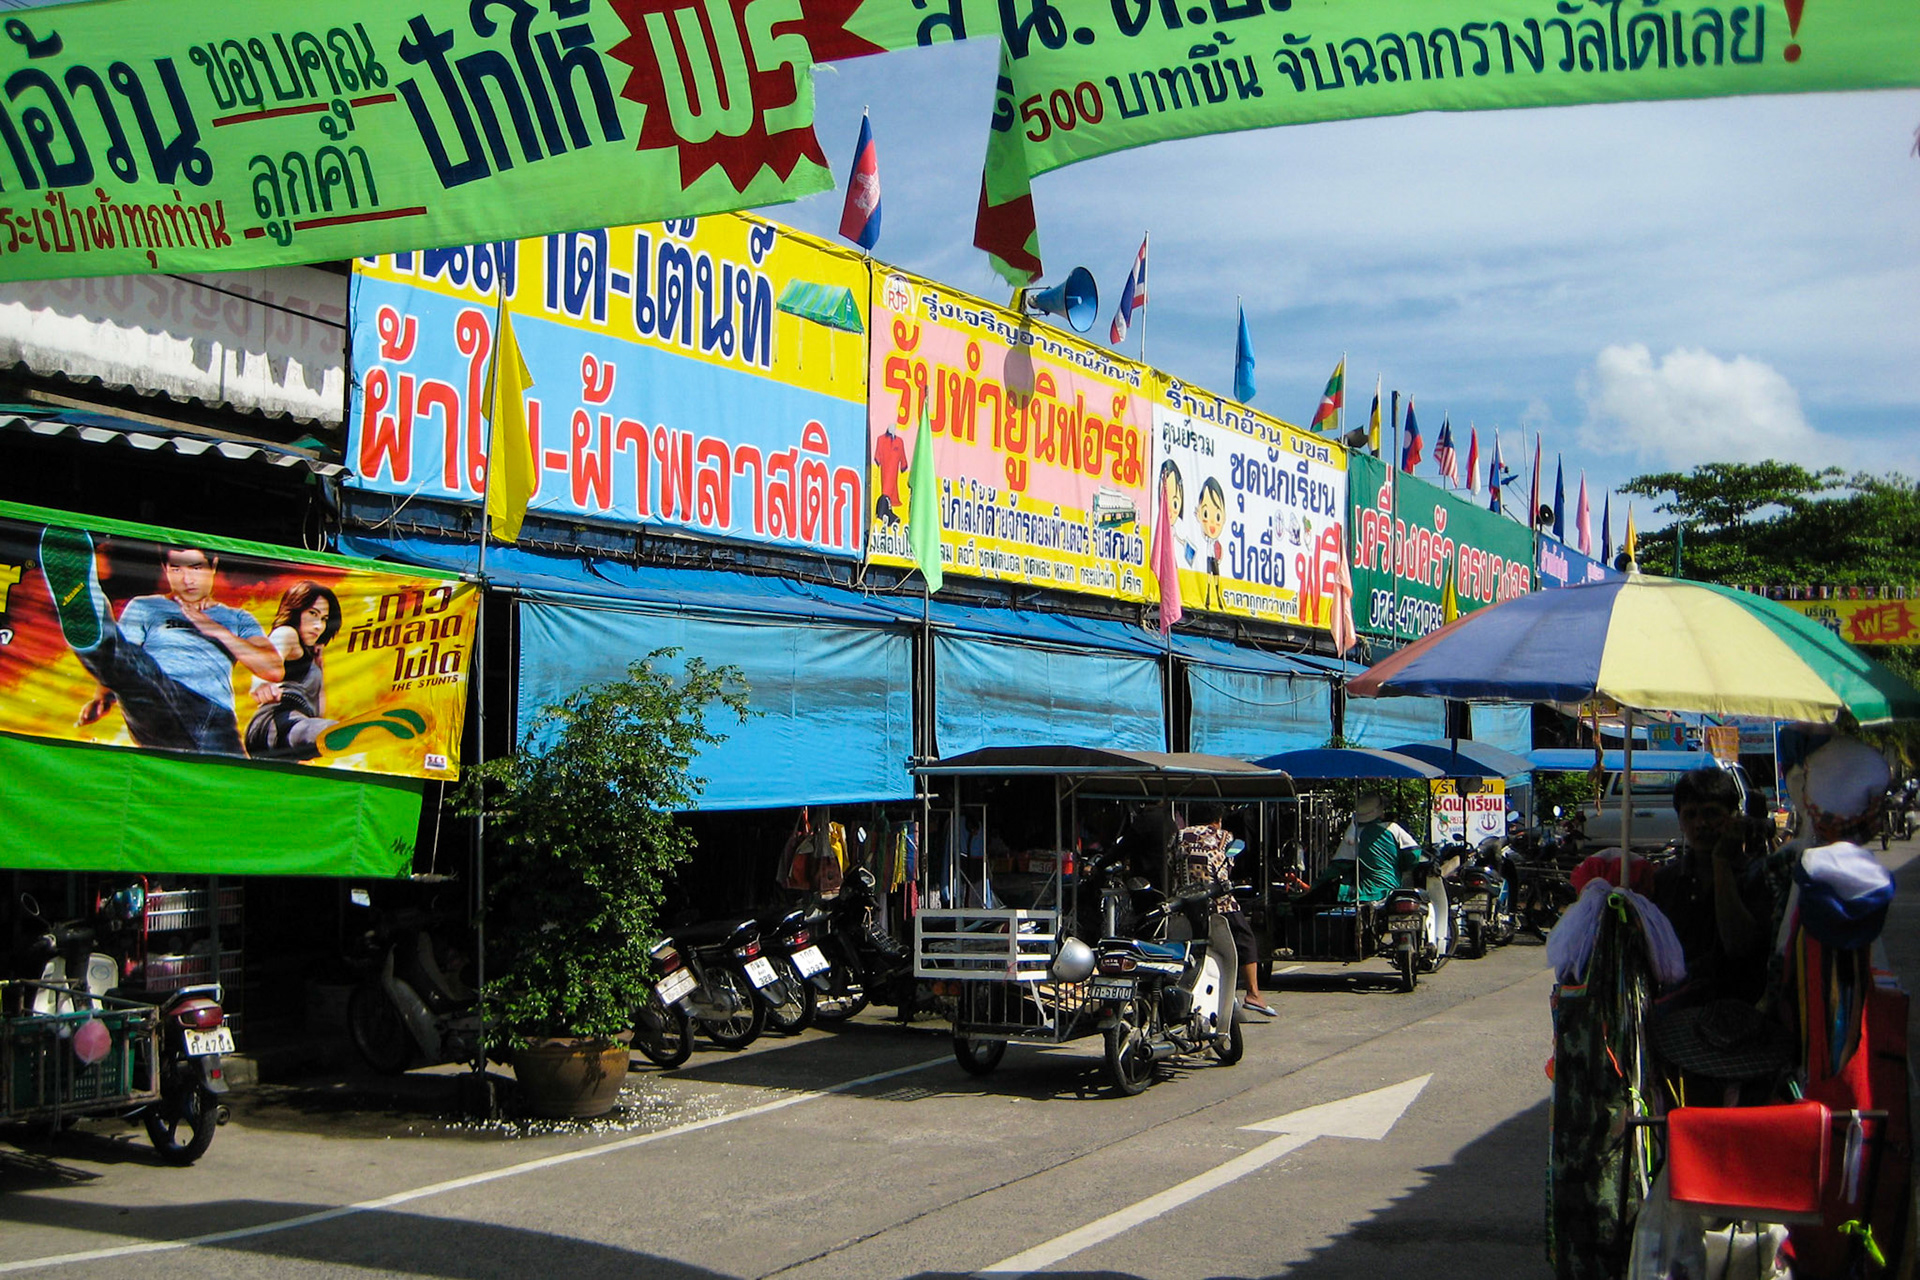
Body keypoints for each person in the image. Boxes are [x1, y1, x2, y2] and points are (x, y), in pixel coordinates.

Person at [39, 527, 284, 756]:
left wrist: (215, 629)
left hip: (214, 718)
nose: (187, 579)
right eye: (177, 569)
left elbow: (272, 668)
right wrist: (102, 698)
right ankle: (92, 617)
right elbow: (126, 659)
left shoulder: (237, 617)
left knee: (232, 792)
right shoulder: (145, 606)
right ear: (165, 569)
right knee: (142, 673)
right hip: (155, 704)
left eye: (196, 568)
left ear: (214, 566)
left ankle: (97, 629)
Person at [1651, 767, 1774, 1002]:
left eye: (1711, 813)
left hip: (1741, 1016)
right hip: (1676, 1018)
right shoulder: (1665, 881)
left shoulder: (1758, 875)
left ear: (1734, 817)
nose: (1701, 824)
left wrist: (1721, 862)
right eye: (1690, 815)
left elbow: (1739, 946)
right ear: (1680, 821)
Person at [1175, 802, 1275, 1017]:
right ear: (1217, 819)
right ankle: (1253, 994)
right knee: (1246, 941)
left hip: (1186, 902)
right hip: (1218, 900)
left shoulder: (1179, 835)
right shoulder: (1224, 836)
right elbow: (1228, 866)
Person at [244, 581, 342, 760]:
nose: (319, 626)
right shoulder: (287, 633)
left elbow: (317, 712)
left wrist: (319, 667)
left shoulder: (312, 655)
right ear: (297, 610)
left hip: (292, 738)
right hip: (275, 722)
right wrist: (262, 685)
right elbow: (269, 658)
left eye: (324, 619)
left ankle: (335, 732)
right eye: (313, 614)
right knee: (311, 730)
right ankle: (341, 731)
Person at [1293, 792, 1421, 908]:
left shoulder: (1354, 834)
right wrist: (1401, 866)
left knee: (1315, 900)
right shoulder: (1393, 828)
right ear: (1380, 812)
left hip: (1365, 893)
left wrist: (1314, 887)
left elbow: (1337, 868)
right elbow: (1414, 854)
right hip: (1392, 891)